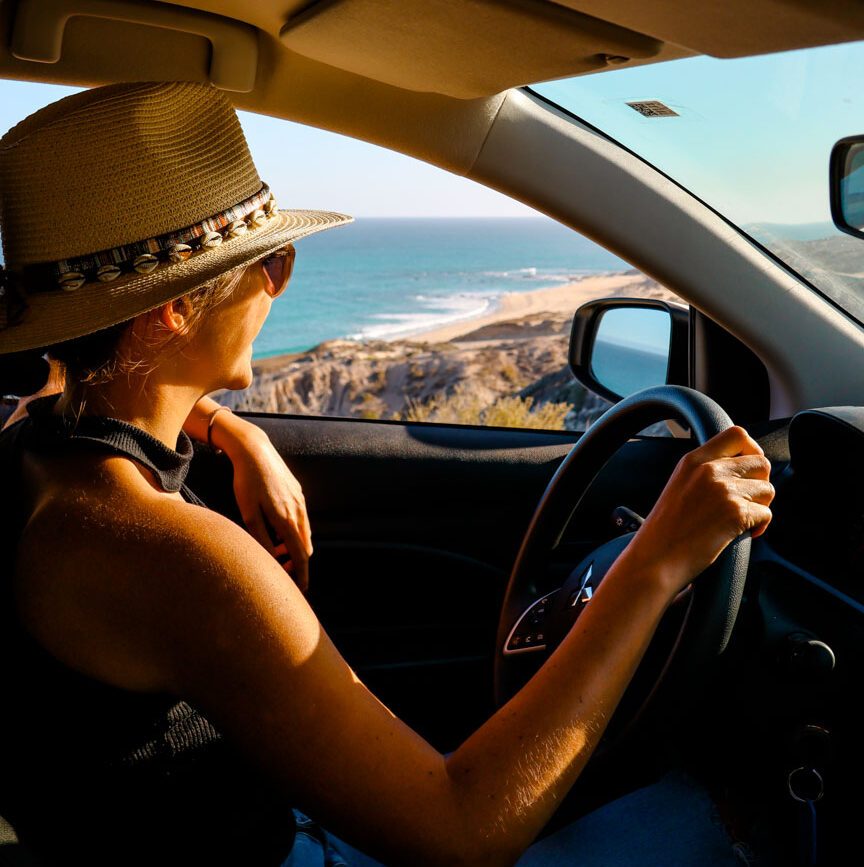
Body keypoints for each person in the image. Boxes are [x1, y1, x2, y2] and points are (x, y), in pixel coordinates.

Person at [0, 82, 774, 866]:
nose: (278, 284)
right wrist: (653, 564)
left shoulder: (31, 444)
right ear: (171, 311)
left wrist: (235, 434)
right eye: (272, 262)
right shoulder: (177, 558)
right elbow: (461, 832)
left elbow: (69, 388)